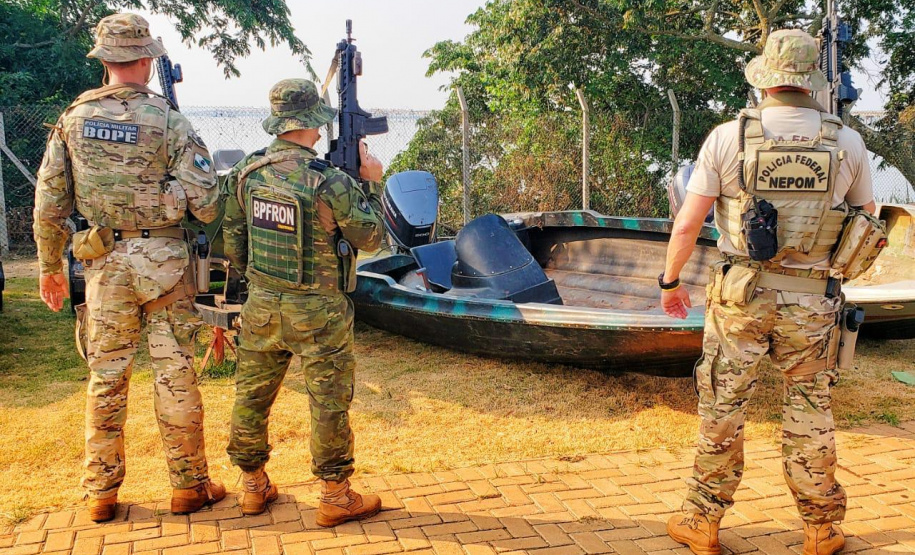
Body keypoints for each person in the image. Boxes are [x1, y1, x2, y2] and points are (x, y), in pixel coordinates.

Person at [659, 29, 876, 555]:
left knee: (723, 406)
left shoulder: (728, 137)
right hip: (813, 300)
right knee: (810, 408)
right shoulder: (846, 142)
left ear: (766, 80)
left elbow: (689, 223)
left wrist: (670, 281)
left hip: (741, 298)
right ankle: (821, 529)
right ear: (811, 83)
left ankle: (702, 521)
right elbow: (868, 218)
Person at [33, 13, 225, 522]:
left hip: (103, 268)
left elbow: (50, 202)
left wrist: (50, 266)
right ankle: (190, 487)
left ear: (104, 61)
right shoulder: (170, 121)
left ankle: (101, 494)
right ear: (145, 59)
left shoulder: (72, 119)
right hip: (163, 264)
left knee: (106, 377)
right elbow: (207, 201)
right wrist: (163, 199)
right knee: (176, 376)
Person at [223, 78, 386, 526]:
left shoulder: (246, 173)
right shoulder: (329, 182)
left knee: (251, 396)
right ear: (314, 122)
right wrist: (370, 183)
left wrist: (262, 282)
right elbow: (372, 238)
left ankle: (253, 485)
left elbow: (233, 244)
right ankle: (335, 495)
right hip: (318, 312)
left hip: (262, 304)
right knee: (328, 401)